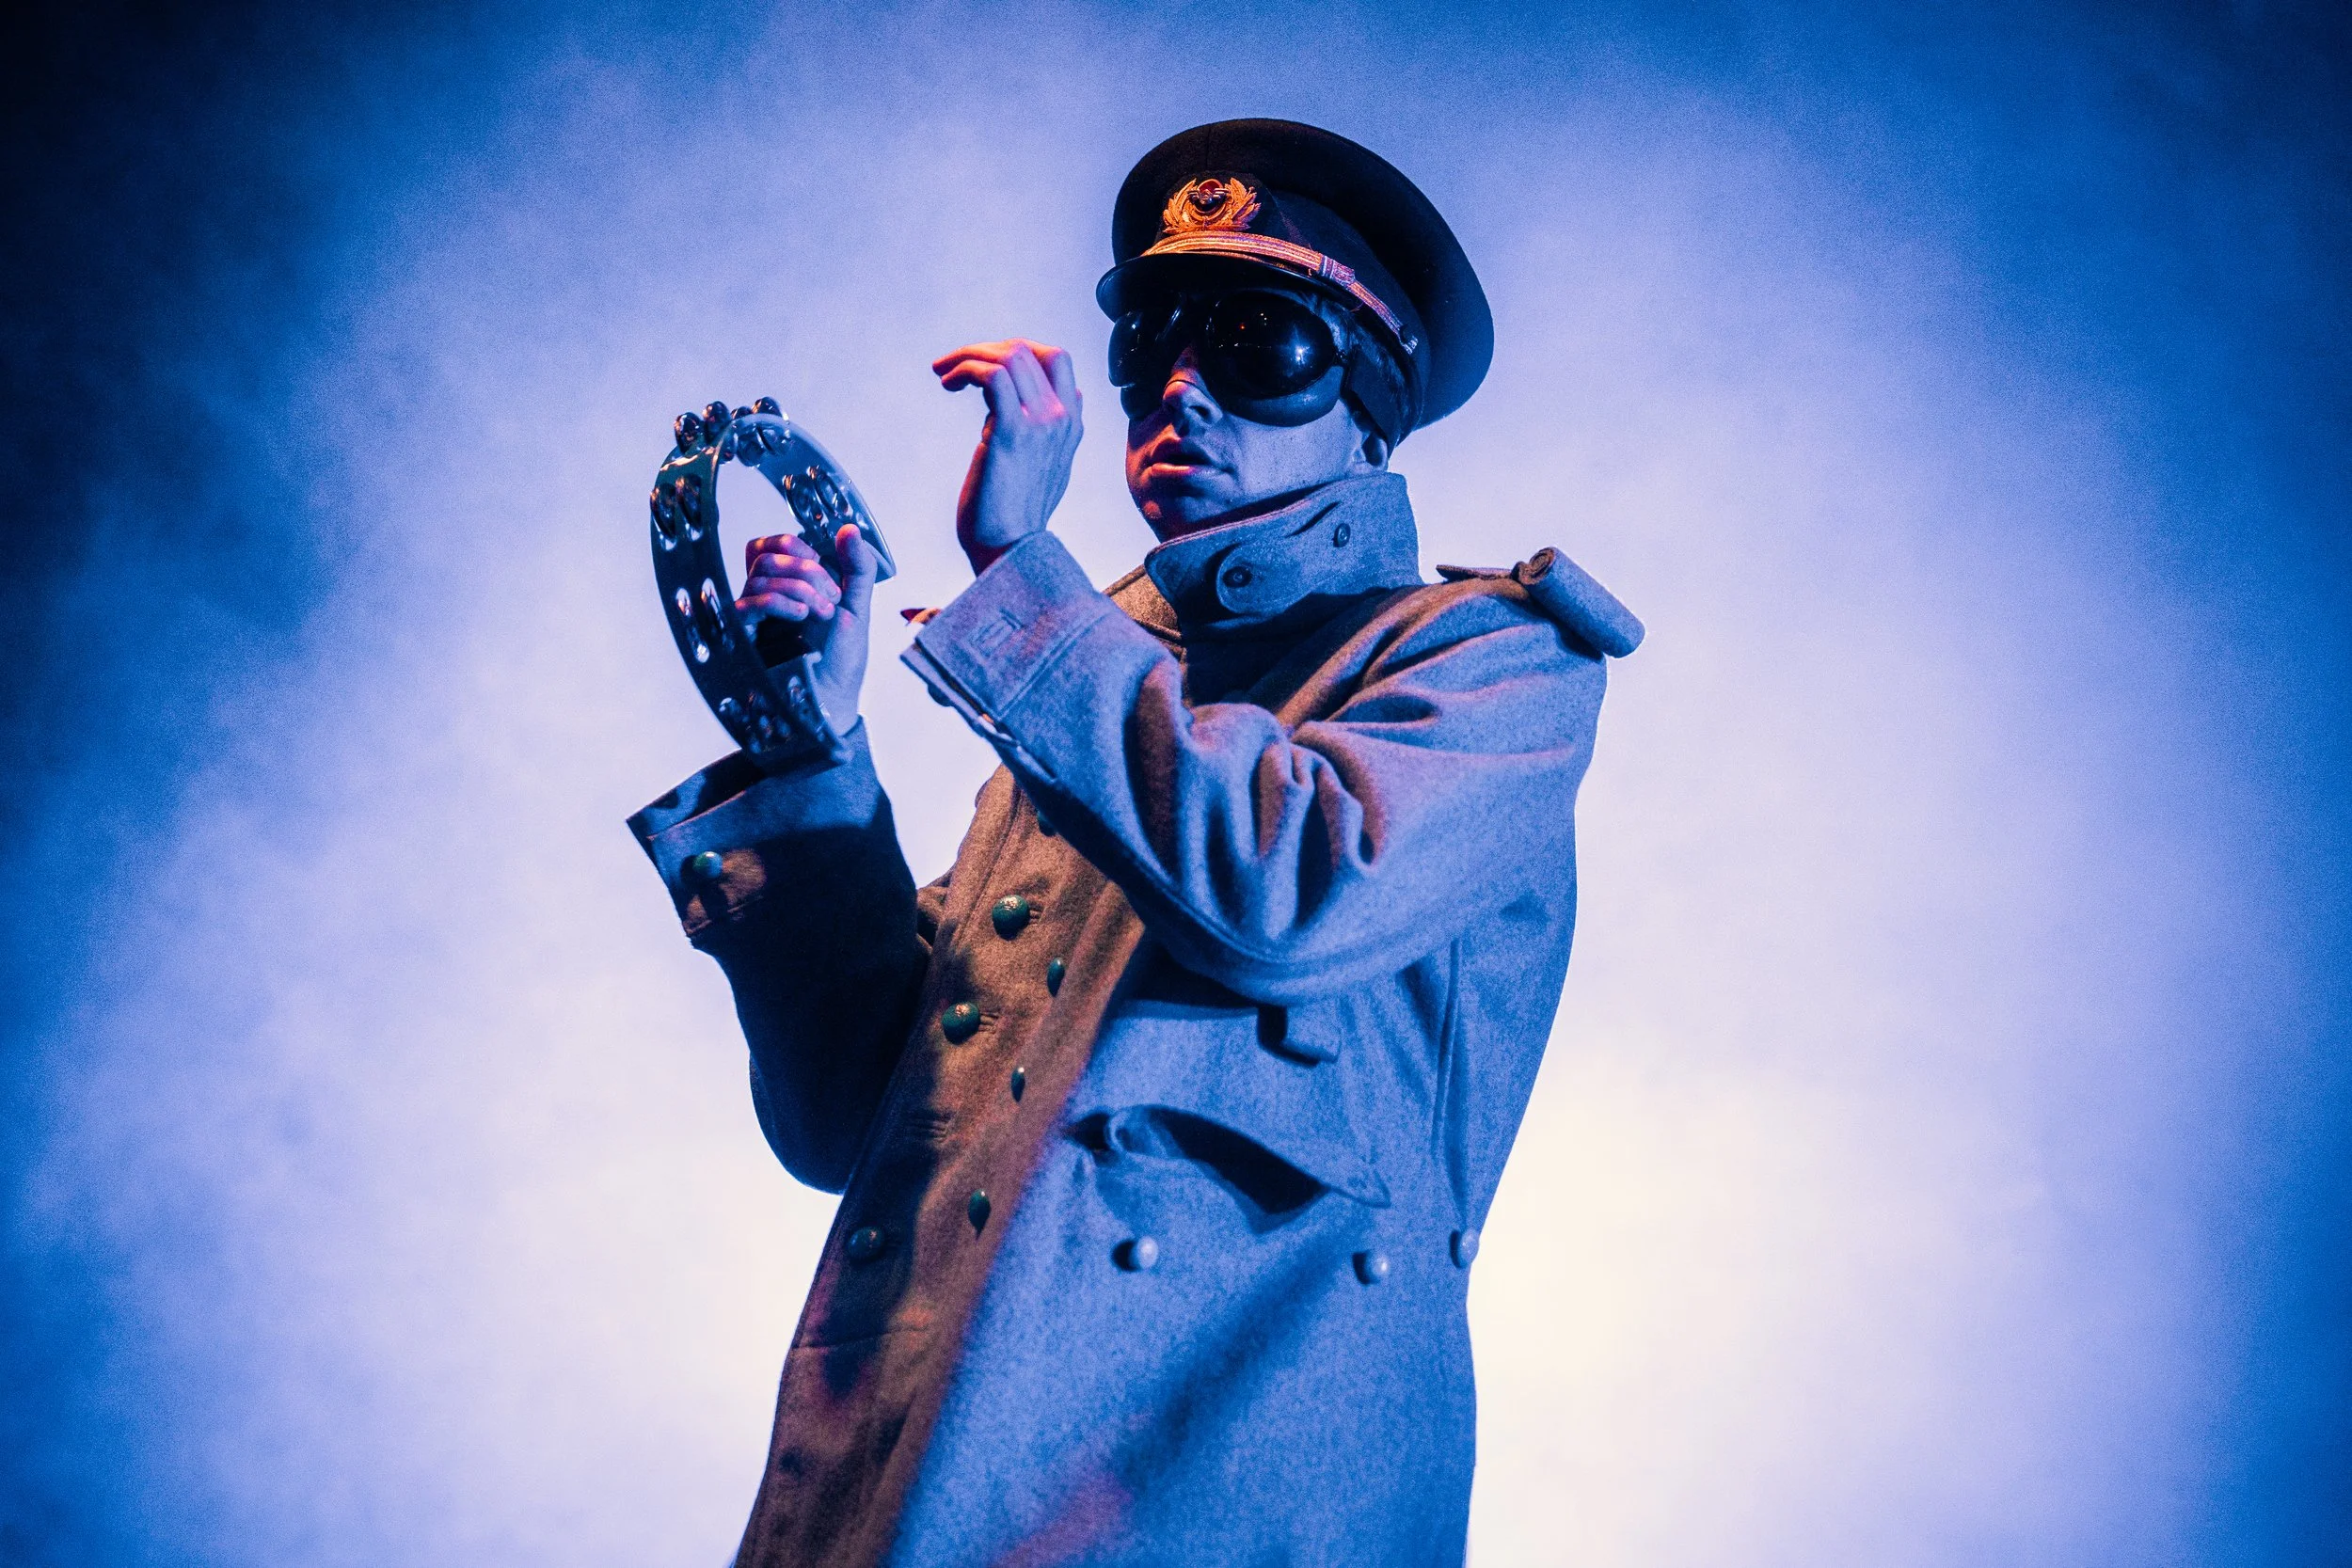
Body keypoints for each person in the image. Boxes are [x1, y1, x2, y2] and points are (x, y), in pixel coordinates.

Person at [628, 118, 1642, 1568]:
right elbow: (847, 1121)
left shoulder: (1487, 664)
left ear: (1366, 400)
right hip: (900, 1499)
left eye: (1253, 341)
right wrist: (807, 744)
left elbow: (1289, 888)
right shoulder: (1085, 672)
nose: (1179, 389)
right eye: (1152, 344)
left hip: (1215, 1509)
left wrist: (1018, 581)